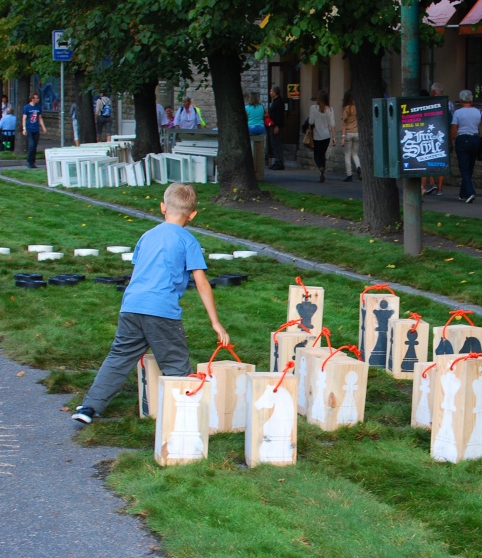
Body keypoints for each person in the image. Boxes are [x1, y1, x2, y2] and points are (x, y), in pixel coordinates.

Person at [72, 183, 230, 425]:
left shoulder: (146, 236)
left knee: (119, 357)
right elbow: (202, 283)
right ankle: (184, 423)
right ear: (192, 214)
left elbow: (139, 271)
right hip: (162, 311)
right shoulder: (188, 241)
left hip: (131, 306)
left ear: (163, 207)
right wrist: (216, 323)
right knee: (175, 364)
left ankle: (89, 407)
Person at [450, 89, 482, 204]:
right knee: (470, 167)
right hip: (475, 139)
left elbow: (454, 130)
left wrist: (451, 140)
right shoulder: (479, 112)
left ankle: (470, 192)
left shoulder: (458, 113)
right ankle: (463, 193)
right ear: (471, 100)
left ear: (461, 100)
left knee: (464, 168)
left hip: (462, 139)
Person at [422, 82, 456, 196]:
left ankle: (432, 182)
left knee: (427, 158)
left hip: (430, 134)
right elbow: (452, 122)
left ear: (433, 92)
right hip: (444, 135)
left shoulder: (428, 103)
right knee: (443, 160)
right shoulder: (449, 104)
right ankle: (440, 188)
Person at [308, 89, 336, 183]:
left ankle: (320, 167)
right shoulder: (330, 109)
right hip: (326, 136)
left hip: (317, 136)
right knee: (322, 154)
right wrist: (334, 137)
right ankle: (321, 174)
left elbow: (311, 121)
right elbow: (332, 124)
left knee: (317, 155)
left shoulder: (313, 108)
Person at [340, 89, 361, 182]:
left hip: (348, 133)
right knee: (355, 153)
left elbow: (344, 123)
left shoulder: (346, 109)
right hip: (357, 133)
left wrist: (342, 137)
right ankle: (359, 167)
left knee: (347, 154)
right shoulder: (357, 108)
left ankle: (349, 174)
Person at [21, 92, 46, 169]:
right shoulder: (27, 107)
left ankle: (33, 161)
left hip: (36, 129)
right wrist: (24, 128)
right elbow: (24, 118)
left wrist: (43, 127)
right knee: (31, 145)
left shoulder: (38, 107)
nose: (38, 99)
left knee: (35, 146)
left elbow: (40, 118)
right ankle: (28, 161)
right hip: (29, 129)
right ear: (32, 99)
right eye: (36, 98)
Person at [267, 85, 286, 170]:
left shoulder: (279, 102)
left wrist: (277, 126)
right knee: (274, 144)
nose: (270, 93)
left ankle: (279, 162)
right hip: (273, 124)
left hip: (276, 126)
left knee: (277, 144)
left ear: (275, 93)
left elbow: (279, 115)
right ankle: (277, 161)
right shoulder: (275, 101)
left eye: (271, 91)